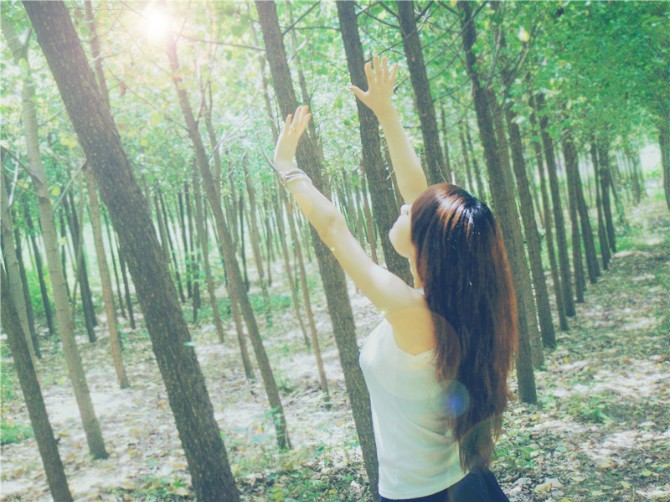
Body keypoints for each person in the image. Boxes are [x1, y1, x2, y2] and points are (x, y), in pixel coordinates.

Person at [272, 56, 515, 502]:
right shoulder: (456, 302)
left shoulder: (410, 312)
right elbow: (416, 187)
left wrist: (288, 167)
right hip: (464, 486)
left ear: (428, 246)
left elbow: (333, 229)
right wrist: (386, 112)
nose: (405, 205)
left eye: (411, 212)